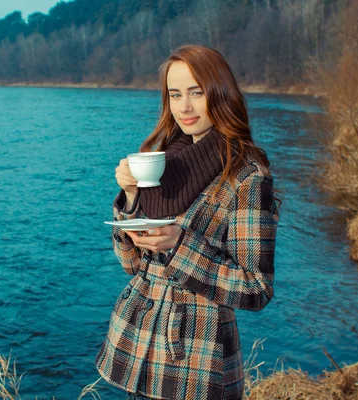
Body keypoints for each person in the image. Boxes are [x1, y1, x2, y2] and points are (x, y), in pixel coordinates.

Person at [95, 44, 280, 400]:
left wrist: (180, 245)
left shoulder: (247, 177)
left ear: (219, 92)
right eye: (175, 94)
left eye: (196, 92)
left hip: (196, 363)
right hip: (138, 350)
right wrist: (131, 198)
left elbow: (257, 289)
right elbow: (132, 265)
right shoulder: (162, 162)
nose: (184, 107)